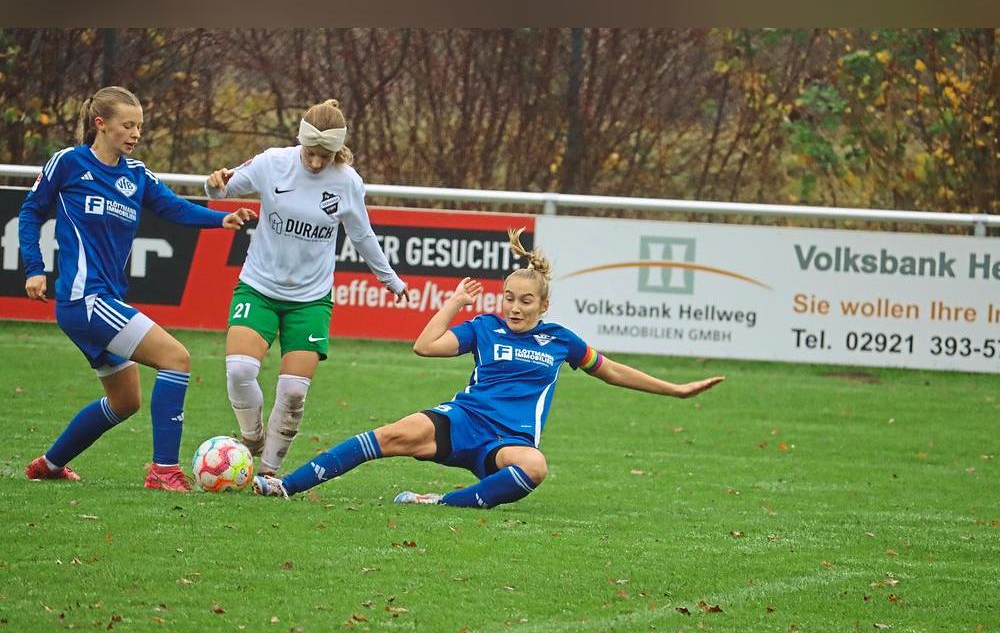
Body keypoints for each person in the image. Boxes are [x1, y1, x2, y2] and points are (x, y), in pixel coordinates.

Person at [251, 228, 726, 508]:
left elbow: (614, 371)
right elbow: (425, 346)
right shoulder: (485, 327)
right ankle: (284, 486)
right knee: (388, 435)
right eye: (509, 299)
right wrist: (455, 302)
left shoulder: (561, 341)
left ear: (543, 305)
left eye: (525, 302)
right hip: (462, 420)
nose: (515, 309)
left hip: (508, 441)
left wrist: (677, 390)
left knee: (535, 467)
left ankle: (436, 502)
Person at [19, 86, 257, 492]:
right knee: (177, 359)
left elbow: (172, 206)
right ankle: (163, 471)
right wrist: (35, 269)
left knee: (125, 401)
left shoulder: (136, 174)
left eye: (140, 126)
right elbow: (31, 211)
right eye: (127, 125)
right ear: (101, 124)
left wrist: (220, 220)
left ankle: (50, 464)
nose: (135, 133)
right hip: (85, 298)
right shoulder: (69, 163)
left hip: (103, 300)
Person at [204, 99, 408, 476]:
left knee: (294, 392)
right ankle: (251, 440)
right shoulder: (272, 163)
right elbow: (220, 190)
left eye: (325, 156)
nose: (316, 163)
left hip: (310, 300)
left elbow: (362, 235)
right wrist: (213, 182)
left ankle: (266, 473)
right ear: (300, 143)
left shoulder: (348, 182)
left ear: (338, 150)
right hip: (259, 287)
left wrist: (389, 279)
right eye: (311, 154)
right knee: (239, 370)